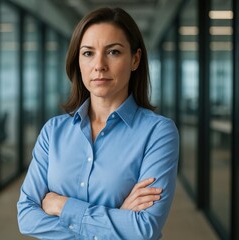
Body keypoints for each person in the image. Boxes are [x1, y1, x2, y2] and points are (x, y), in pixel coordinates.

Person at [17, 7, 179, 240]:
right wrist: (117, 220)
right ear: (78, 61)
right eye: (88, 53)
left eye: (113, 52)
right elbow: (26, 217)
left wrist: (61, 206)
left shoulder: (158, 132)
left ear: (135, 59)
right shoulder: (53, 131)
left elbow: (143, 229)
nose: (99, 65)